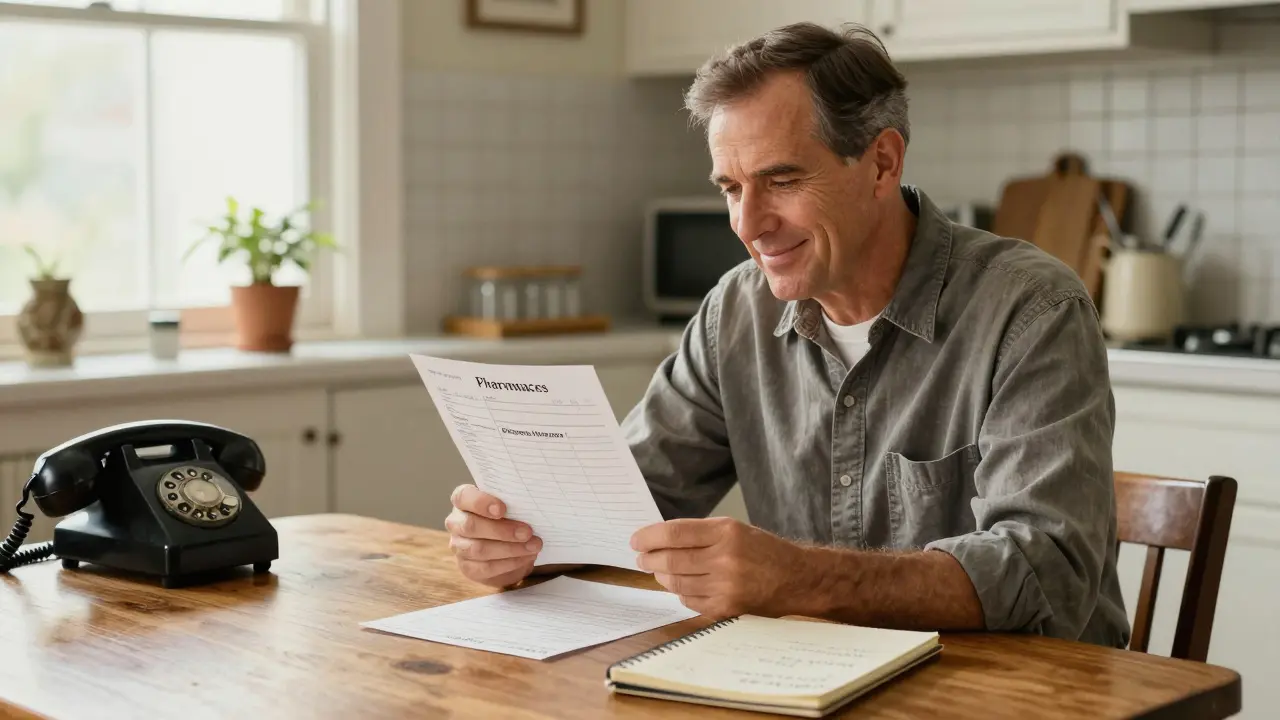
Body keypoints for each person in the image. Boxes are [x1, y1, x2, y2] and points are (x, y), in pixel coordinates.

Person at [444, 21, 1131, 648]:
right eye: (730, 188)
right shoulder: (734, 313)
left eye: (781, 179)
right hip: (813, 683)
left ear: (883, 164)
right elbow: (625, 506)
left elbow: (1047, 575)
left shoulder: (1030, 310)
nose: (748, 225)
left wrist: (800, 577)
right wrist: (522, 539)